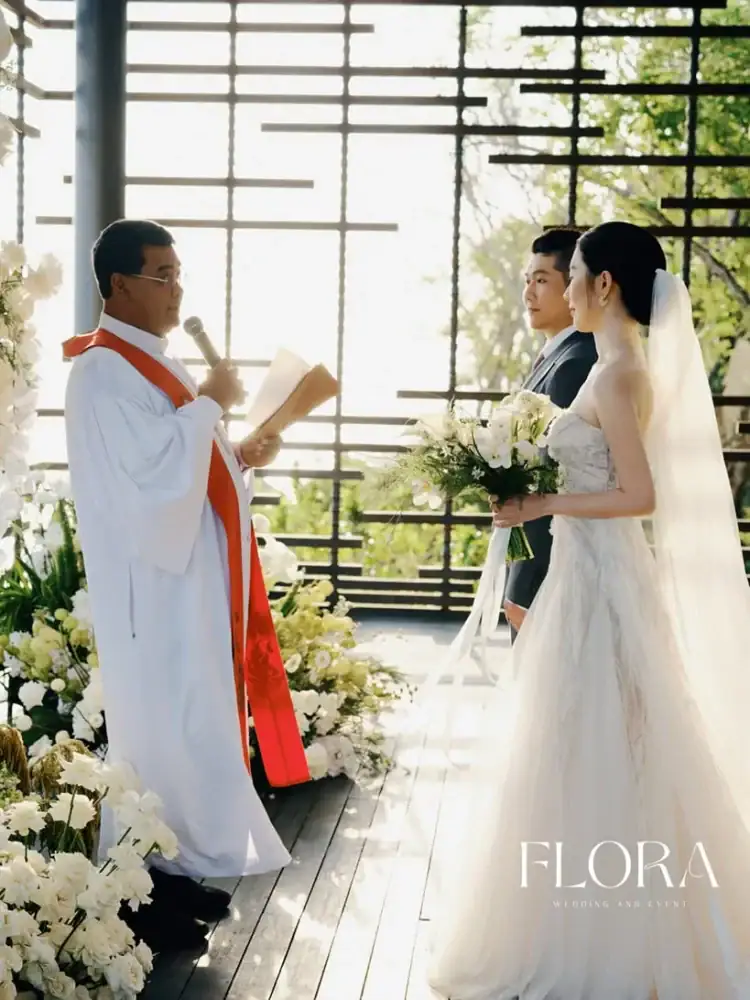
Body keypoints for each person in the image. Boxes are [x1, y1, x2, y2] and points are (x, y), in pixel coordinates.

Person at [428, 221, 750, 999]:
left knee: (601, 737)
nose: (566, 288)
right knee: (579, 739)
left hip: (603, 580)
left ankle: (607, 934)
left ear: (604, 284)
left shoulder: (618, 375)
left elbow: (639, 495)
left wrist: (542, 501)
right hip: (584, 572)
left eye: (572, 273)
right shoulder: (612, 367)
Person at [64, 219, 309, 952]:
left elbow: (184, 465)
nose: (176, 289)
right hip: (150, 590)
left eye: (178, 274)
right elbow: (146, 481)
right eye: (161, 275)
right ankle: (137, 890)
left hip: (182, 585)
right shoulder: (103, 370)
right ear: (118, 284)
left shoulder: (150, 361)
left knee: (191, 726)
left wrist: (238, 452)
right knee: (158, 734)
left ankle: (171, 869)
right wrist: (207, 405)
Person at [502, 228, 597, 642]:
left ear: (574, 284)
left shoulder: (575, 364)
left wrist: (524, 582)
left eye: (542, 280)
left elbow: (557, 481)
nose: (529, 293)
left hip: (552, 573)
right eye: (527, 280)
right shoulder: (554, 357)